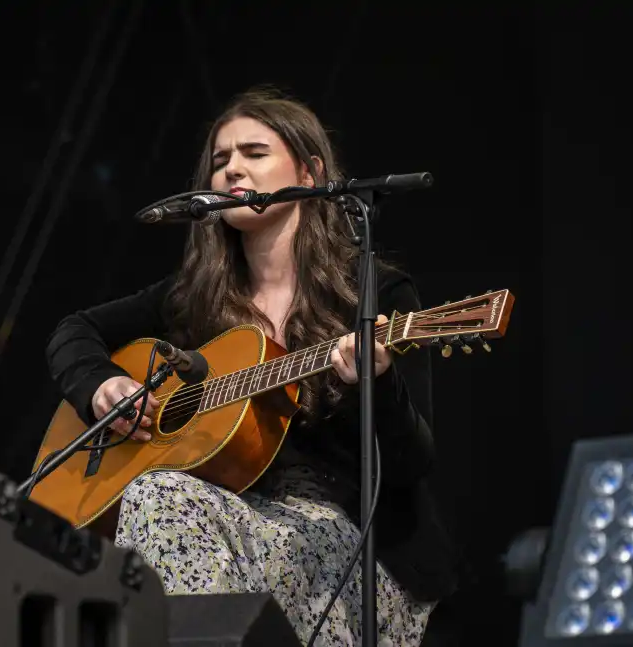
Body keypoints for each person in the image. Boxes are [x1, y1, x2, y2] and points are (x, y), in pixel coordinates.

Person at [46, 87, 459, 647]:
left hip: (350, 554)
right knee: (139, 516)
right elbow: (76, 329)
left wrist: (379, 385)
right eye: (220, 160)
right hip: (224, 534)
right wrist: (100, 386)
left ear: (310, 173)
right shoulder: (194, 299)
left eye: (254, 153)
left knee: (158, 497)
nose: (231, 169)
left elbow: (412, 462)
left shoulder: (373, 293)